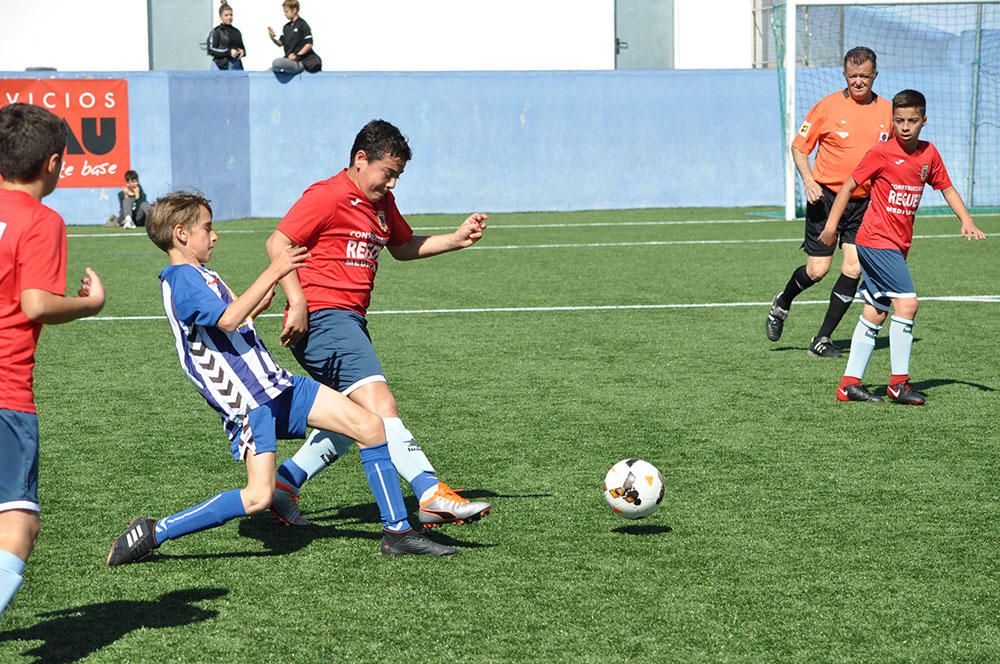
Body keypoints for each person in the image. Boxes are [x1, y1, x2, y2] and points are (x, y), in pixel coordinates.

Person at [105, 192, 458, 565]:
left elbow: (233, 318)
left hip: (278, 384)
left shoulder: (200, 275)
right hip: (250, 402)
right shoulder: (181, 278)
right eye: (207, 228)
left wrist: (260, 301)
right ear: (180, 234)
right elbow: (226, 319)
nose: (214, 236)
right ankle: (155, 531)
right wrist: (274, 270)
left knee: (370, 426)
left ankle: (398, 532)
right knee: (258, 496)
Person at [265, 119, 492, 529]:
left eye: (397, 176)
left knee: (355, 419)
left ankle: (284, 484)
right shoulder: (328, 195)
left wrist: (456, 239)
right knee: (381, 405)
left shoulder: (381, 204)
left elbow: (402, 247)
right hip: (323, 318)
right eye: (388, 173)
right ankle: (430, 493)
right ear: (360, 159)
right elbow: (278, 242)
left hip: (350, 321)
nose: (391, 184)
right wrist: (296, 300)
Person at [0, 103, 106, 616]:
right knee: (18, 523)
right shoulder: (41, 220)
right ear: (53, 163)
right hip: (5, 392)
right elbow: (36, 304)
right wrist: (90, 303)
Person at [820, 89, 986, 404]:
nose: (906, 126)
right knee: (907, 305)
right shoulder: (881, 153)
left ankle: (848, 384)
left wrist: (967, 220)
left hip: (896, 245)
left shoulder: (929, 154)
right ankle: (899, 383)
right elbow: (849, 186)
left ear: (924, 120)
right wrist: (830, 227)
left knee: (875, 312)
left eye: (912, 120)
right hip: (875, 240)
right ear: (892, 121)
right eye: (899, 121)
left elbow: (946, 188)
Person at [766, 47, 893, 358]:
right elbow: (799, 147)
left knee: (854, 265)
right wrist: (809, 181)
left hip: (863, 202)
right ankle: (783, 301)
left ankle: (822, 339)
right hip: (826, 198)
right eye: (853, 76)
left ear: (875, 75)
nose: (859, 82)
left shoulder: (888, 111)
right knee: (818, 270)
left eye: (865, 76)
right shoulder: (827, 107)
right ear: (844, 75)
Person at [267, 1, 321, 74]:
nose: (285, 14)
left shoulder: (302, 24)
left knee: (277, 63)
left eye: (286, 11)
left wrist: (297, 56)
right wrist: (272, 38)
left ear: (294, 10)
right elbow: (280, 43)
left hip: (300, 61)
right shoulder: (286, 27)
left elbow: (309, 44)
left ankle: (304, 68)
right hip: (289, 60)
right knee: (269, 71)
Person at [207, 1, 246, 71]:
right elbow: (211, 50)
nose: (229, 17)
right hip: (220, 66)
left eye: (231, 15)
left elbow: (242, 48)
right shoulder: (217, 31)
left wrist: (243, 52)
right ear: (220, 17)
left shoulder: (236, 32)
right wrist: (228, 52)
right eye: (226, 15)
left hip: (236, 66)